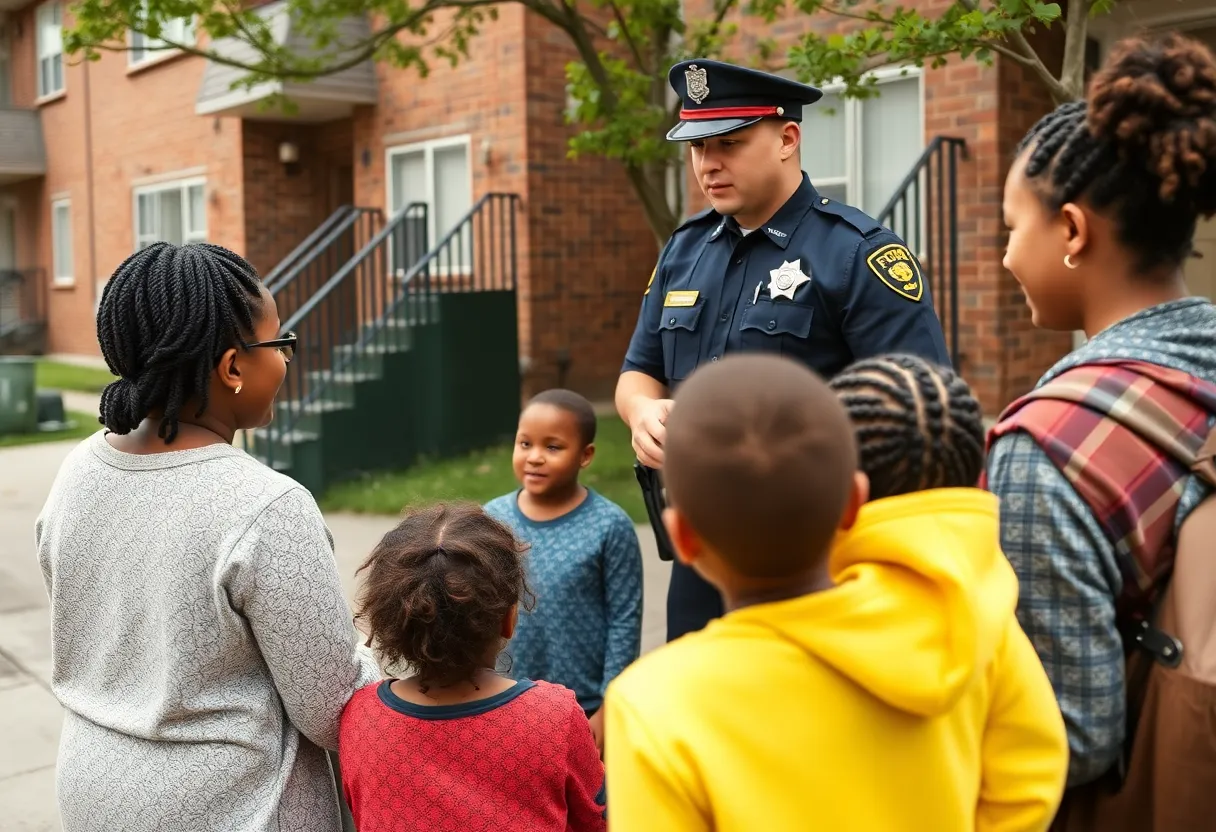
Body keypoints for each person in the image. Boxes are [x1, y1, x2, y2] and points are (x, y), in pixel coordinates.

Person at [603, 353, 1069, 831]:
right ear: (854, 503)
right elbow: (1030, 781)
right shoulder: (968, 618)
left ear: (682, 537)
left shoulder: (651, 703)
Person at [35, 242, 380, 832]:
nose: (288, 361)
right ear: (233, 368)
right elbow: (330, 710)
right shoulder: (266, 507)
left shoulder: (77, 472)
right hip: (232, 810)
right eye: (282, 345)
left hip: (93, 796)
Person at [616, 57, 953, 641]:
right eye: (697, 148)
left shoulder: (857, 256)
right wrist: (642, 412)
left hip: (816, 559)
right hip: (703, 552)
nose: (708, 164)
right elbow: (637, 372)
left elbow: (922, 418)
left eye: (730, 143)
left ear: (787, 139)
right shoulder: (684, 250)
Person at [985, 31, 1216, 797]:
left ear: (1074, 231)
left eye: (1013, 226)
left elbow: (1067, 741)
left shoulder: (1048, 448)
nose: (1006, 253)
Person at [339, 503, 607, 832]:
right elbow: (596, 819)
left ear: (390, 623)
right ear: (508, 619)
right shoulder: (555, 716)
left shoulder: (360, 718)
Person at [483, 389, 643, 752]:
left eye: (553, 447)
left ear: (586, 455)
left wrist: (609, 704)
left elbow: (625, 620)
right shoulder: (492, 519)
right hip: (507, 697)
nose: (535, 457)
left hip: (584, 704)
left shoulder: (610, 526)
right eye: (525, 443)